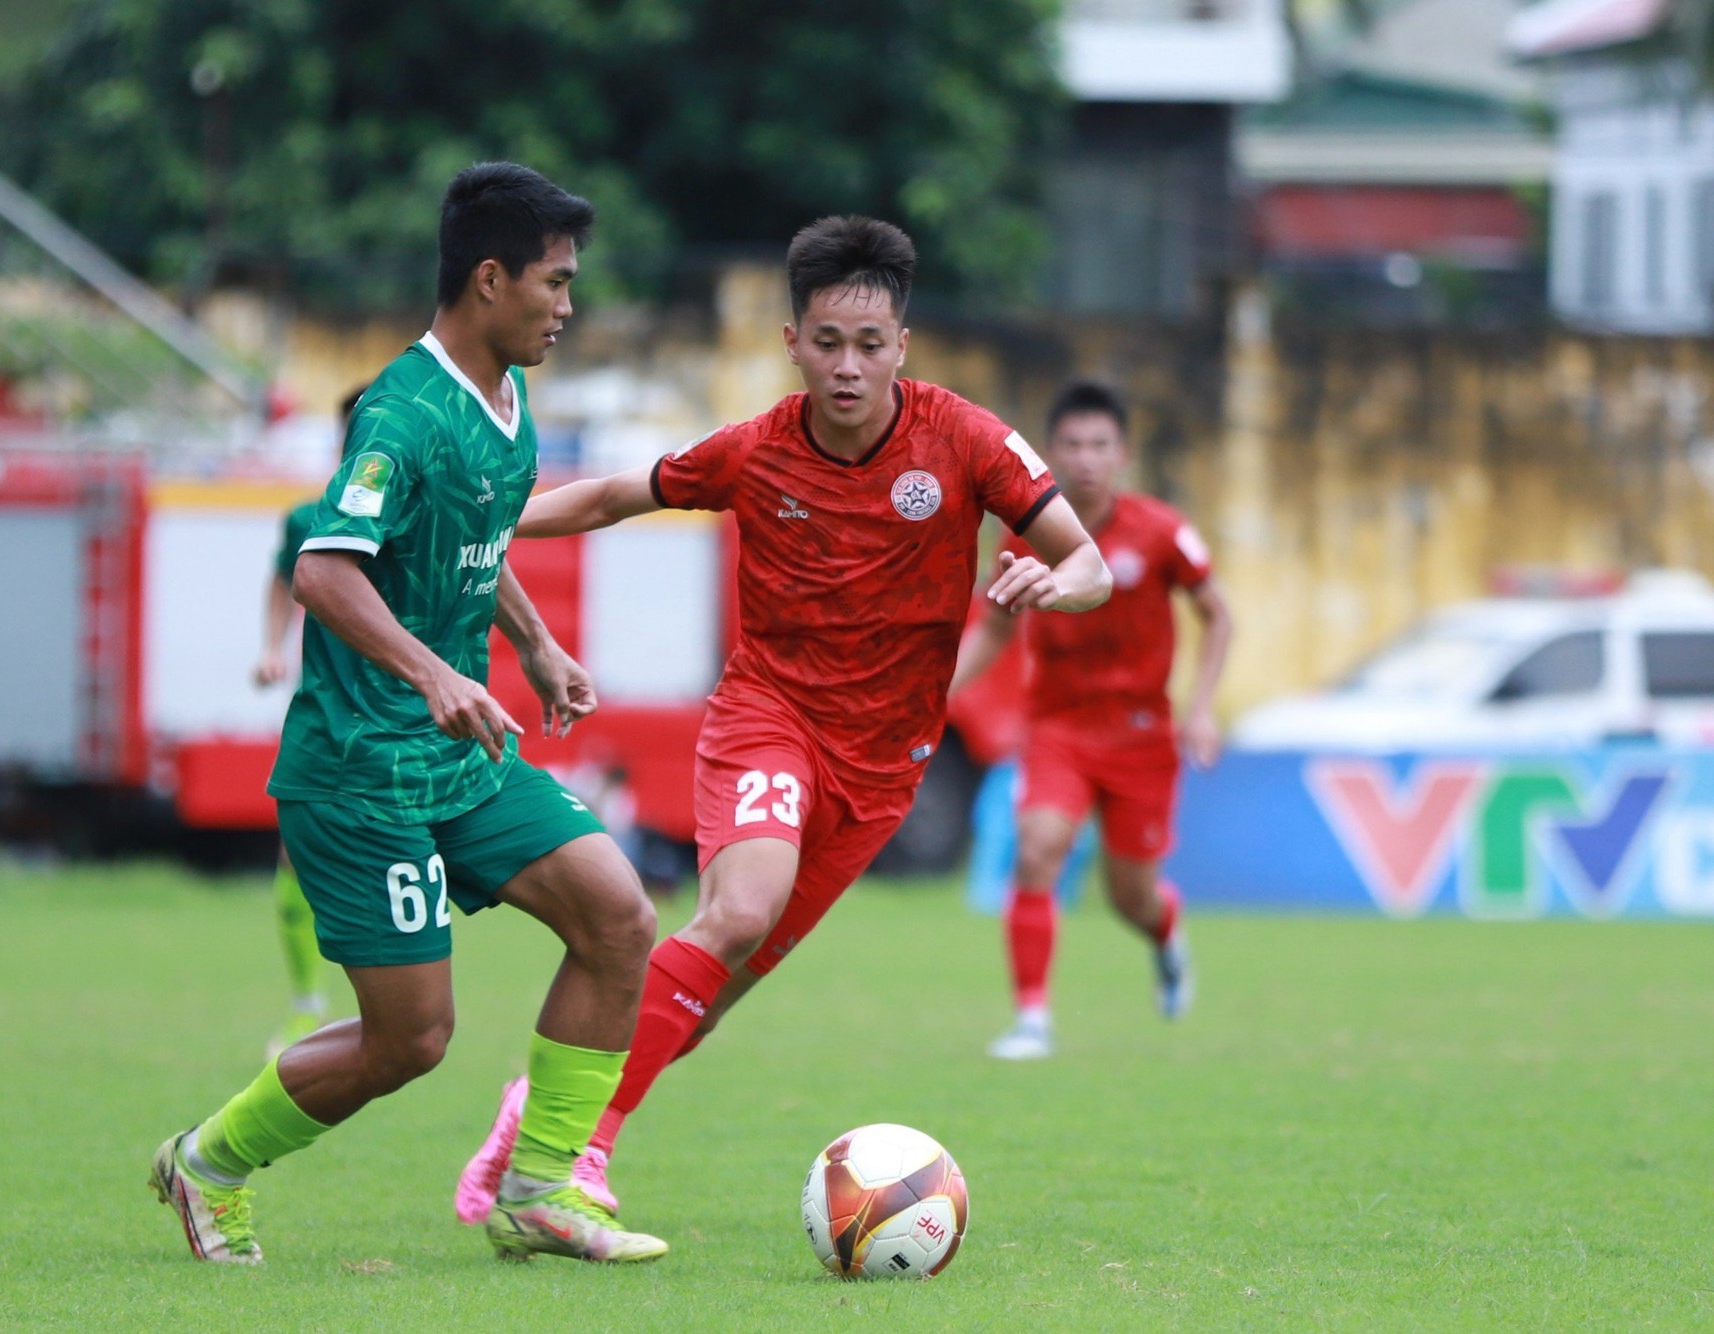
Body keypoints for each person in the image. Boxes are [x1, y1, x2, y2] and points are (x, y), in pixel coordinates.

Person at [455, 215, 1111, 1220]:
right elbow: (608, 497)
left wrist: (1045, 584)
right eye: (826, 342)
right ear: (792, 343)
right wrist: (482, 516)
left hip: (883, 763)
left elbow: (1086, 563)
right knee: (736, 911)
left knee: (707, 1000)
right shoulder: (755, 449)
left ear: (902, 345)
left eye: (869, 344)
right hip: (769, 717)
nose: (847, 366)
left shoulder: (967, 439)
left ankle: (530, 1113)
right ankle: (572, 1152)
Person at [149, 162, 668, 1267]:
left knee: (618, 915)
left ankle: (539, 1184)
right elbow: (325, 572)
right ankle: (207, 1162)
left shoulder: (509, 395)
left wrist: (531, 642)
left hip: (462, 756)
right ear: (490, 279)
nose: (568, 307)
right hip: (360, 766)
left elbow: (475, 535)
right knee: (411, 1038)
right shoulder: (401, 410)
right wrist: (437, 673)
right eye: (555, 283)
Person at [950, 380, 1233, 1060]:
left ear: (1122, 454)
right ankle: (1032, 1019)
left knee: (1130, 897)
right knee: (1037, 849)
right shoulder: (1025, 531)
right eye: (1072, 445)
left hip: (1140, 735)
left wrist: (1200, 709)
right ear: (1051, 454)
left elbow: (1217, 612)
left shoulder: (1161, 532)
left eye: (1099, 445)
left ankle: (1165, 934)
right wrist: (937, 693)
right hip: (1058, 728)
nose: (1085, 458)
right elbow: (993, 624)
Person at [251, 389, 369, 1060]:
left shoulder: (424, 505)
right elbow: (282, 582)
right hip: (326, 713)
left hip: (407, 715)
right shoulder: (310, 518)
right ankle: (306, 1007)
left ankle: (391, 1007)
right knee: (296, 851)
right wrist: (272, 648)